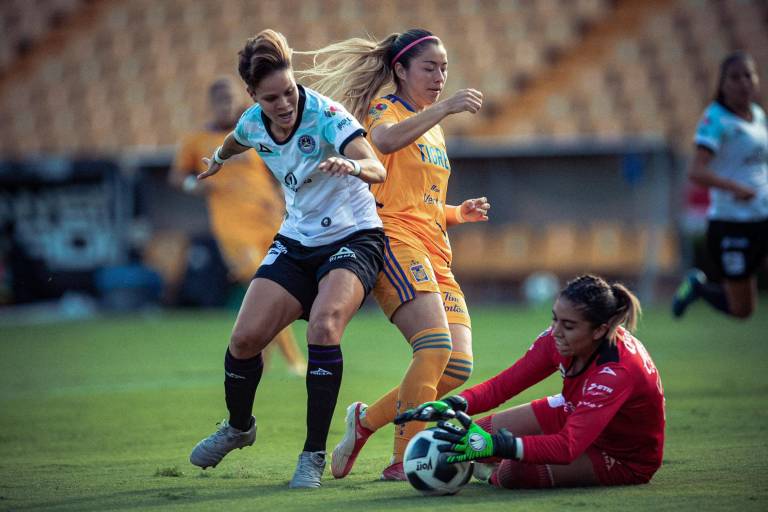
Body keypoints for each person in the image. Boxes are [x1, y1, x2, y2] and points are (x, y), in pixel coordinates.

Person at [187, 29, 387, 489]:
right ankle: (239, 427)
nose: (284, 104)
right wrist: (217, 158)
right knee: (243, 340)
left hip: (354, 236)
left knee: (324, 325)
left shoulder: (327, 116)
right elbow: (238, 139)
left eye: (290, 91)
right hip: (297, 239)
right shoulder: (254, 122)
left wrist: (352, 165)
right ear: (253, 95)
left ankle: (312, 456)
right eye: (272, 97)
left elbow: (374, 165)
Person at [296, 29, 489, 480]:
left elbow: (418, 199)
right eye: (430, 67)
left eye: (444, 67)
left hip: (436, 248)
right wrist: (445, 106)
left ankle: (365, 421)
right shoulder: (388, 109)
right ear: (400, 70)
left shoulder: (433, 128)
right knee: (434, 347)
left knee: (457, 364)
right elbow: (379, 144)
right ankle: (405, 457)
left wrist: (457, 212)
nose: (440, 76)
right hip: (395, 241)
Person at [397, 275, 665, 489]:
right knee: (473, 433)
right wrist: (454, 404)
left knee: (514, 473)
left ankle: (493, 472)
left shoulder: (616, 371)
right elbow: (503, 386)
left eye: (569, 326)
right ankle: (490, 460)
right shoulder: (556, 340)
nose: (556, 332)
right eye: (554, 319)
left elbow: (568, 446)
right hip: (575, 411)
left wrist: (502, 446)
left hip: (623, 455)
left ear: (600, 330)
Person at [170, 76, 307, 377]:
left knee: (281, 291)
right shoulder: (197, 140)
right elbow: (177, 176)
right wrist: (195, 184)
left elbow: (275, 171)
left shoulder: (253, 133)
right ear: (213, 104)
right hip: (233, 230)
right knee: (265, 290)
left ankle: (260, 359)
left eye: (232, 99)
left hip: (270, 221)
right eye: (222, 100)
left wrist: (283, 201)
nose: (228, 105)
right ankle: (295, 360)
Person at [672, 51, 767, 320]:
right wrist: (735, 188)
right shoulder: (716, 119)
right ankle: (698, 288)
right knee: (742, 310)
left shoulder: (758, 116)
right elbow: (696, 171)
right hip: (732, 222)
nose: (743, 82)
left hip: (763, 216)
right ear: (723, 84)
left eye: (749, 75)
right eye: (735, 77)